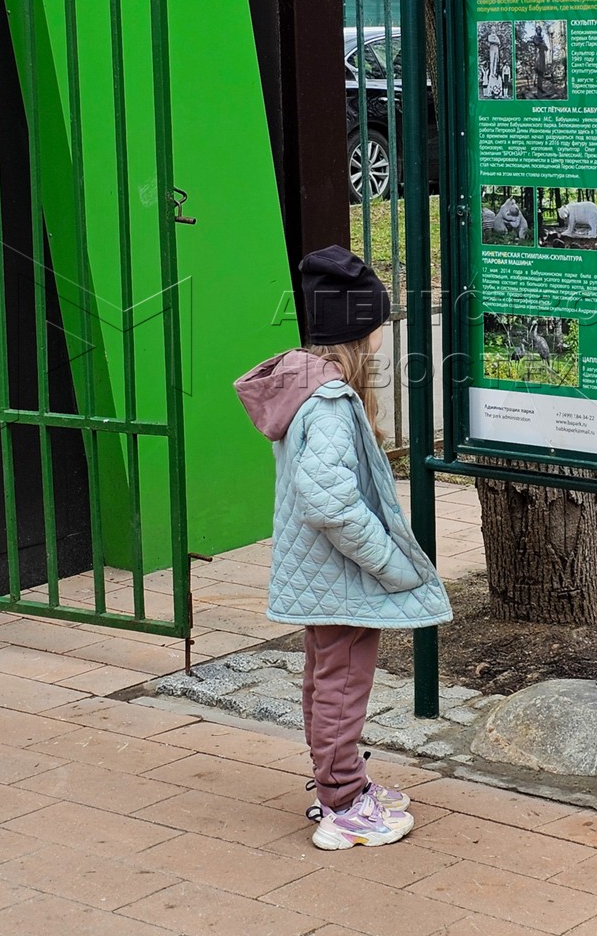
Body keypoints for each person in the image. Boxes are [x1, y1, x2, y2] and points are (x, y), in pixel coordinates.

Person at [235, 247, 452, 851]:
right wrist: (385, 561)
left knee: (324, 677)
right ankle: (344, 802)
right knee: (342, 681)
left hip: (322, 572)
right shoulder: (330, 403)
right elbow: (328, 499)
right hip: (344, 573)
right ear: (359, 330)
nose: (385, 332)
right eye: (380, 320)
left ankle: (339, 785)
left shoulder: (307, 385)